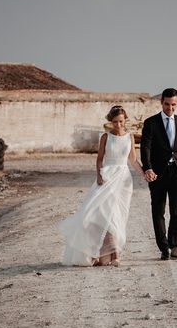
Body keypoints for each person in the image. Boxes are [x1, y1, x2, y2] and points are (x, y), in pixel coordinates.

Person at [58, 105, 145, 266]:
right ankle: (101, 254)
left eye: (120, 121)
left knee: (118, 217)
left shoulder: (130, 137)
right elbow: (99, 159)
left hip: (124, 180)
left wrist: (144, 174)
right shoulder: (106, 137)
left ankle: (114, 255)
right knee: (101, 216)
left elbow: (132, 160)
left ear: (125, 120)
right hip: (106, 178)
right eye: (114, 122)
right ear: (110, 122)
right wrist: (98, 175)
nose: (118, 125)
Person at [140, 88, 177, 260]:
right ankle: (163, 248)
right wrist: (147, 168)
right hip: (157, 174)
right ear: (161, 102)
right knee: (158, 210)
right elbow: (145, 147)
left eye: (173, 104)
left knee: (176, 210)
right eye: (167, 104)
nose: (170, 108)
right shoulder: (151, 123)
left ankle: (174, 244)